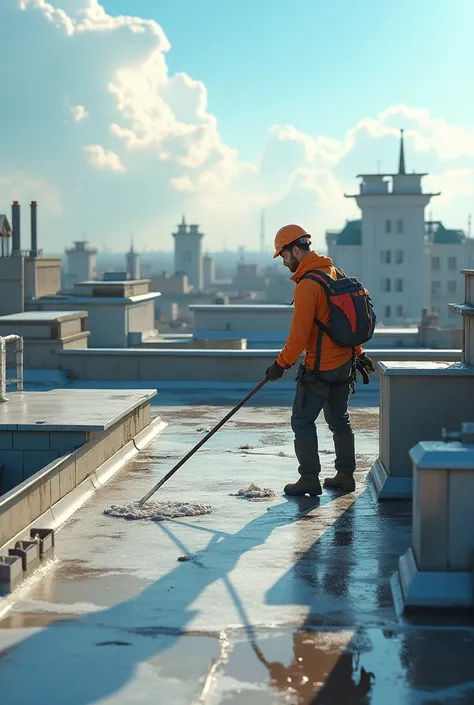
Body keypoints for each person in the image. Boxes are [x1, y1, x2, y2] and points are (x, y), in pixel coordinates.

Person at [265, 224, 375, 496]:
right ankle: (345, 476)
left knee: (302, 421)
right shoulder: (334, 273)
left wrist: (281, 365)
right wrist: (358, 353)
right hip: (345, 364)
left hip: (319, 368)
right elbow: (349, 319)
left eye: (283, 255)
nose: (283, 261)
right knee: (340, 420)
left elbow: (299, 335)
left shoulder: (308, 285)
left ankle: (309, 479)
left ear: (294, 249)